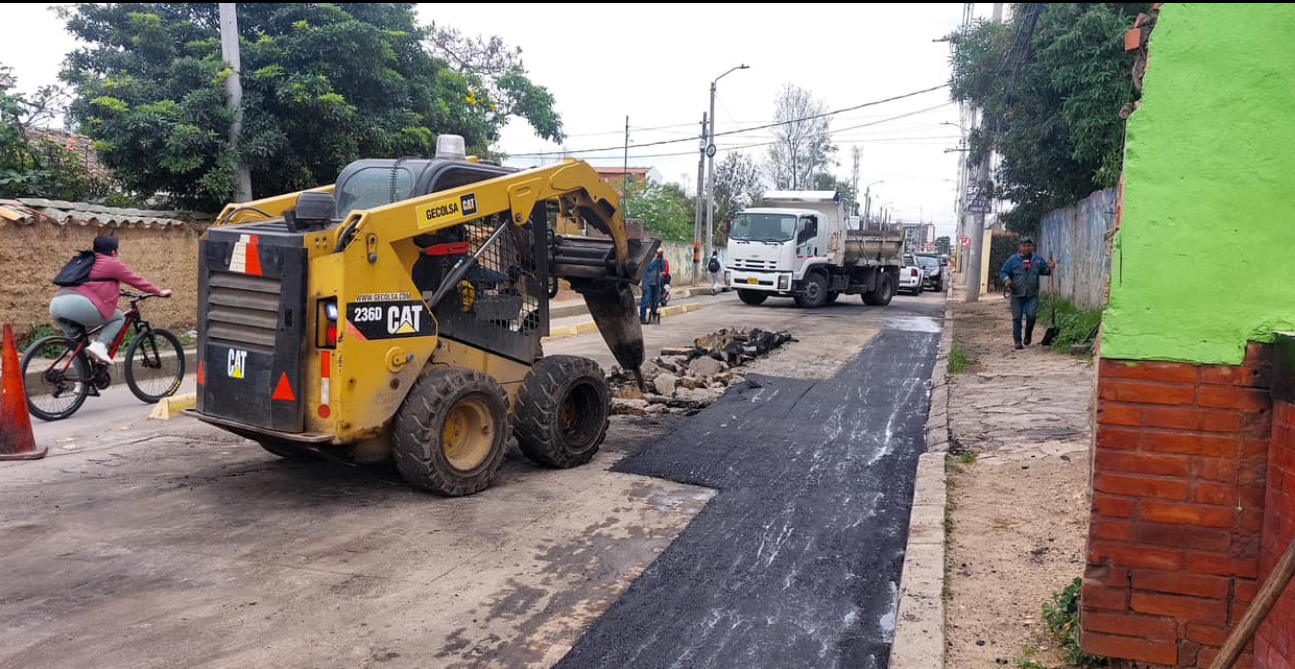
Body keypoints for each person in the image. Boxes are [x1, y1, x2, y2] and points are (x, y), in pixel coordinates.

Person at [49, 236, 172, 363]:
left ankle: (81, 383)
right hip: (74, 305)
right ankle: (100, 345)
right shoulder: (110, 262)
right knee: (118, 317)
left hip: (56, 304)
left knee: (77, 348)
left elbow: (92, 286)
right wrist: (159, 292)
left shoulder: (87, 261)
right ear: (114, 252)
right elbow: (136, 280)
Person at [999, 237, 1055, 350]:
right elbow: (1003, 271)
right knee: (1017, 318)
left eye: (1029, 246)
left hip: (1032, 295)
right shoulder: (1012, 260)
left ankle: (1028, 334)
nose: (1027, 248)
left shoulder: (1038, 260)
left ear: (1032, 247)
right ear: (1020, 247)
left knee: (1031, 315)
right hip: (1016, 294)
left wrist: (1050, 268)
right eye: (1024, 246)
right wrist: (1006, 279)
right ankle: (1018, 341)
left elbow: (1045, 271)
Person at [639, 249, 665, 324]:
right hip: (647, 283)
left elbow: (663, 268)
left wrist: (661, 259)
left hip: (657, 283)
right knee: (645, 301)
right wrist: (656, 259)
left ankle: (653, 313)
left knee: (656, 300)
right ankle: (642, 317)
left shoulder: (660, 260)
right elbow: (649, 267)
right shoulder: (647, 258)